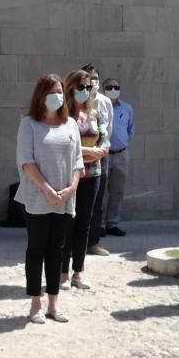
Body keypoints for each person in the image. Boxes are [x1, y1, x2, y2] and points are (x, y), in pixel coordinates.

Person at [16, 74, 83, 324]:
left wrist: (70, 188)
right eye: (50, 91)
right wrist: (46, 190)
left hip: (65, 198)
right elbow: (26, 161)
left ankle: (53, 304)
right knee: (37, 249)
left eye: (59, 91)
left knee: (57, 250)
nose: (55, 96)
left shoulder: (71, 125)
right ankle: (35, 303)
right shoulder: (29, 124)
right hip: (37, 197)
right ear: (40, 95)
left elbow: (77, 161)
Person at [60, 69, 108, 291]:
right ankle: (61, 272)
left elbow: (105, 140)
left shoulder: (95, 114)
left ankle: (77, 273)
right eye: (81, 87)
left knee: (84, 224)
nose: (85, 91)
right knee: (67, 223)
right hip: (71, 175)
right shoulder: (64, 115)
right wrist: (92, 152)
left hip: (93, 175)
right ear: (71, 88)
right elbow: (69, 147)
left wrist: (98, 151)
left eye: (88, 87)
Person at [84, 63, 113, 256]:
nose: (93, 82)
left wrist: (100, 150)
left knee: (97, 201)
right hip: (80, 155)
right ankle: (75, 240)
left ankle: (93, 242)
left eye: (95, 78)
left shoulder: (104, 102)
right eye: (89, 78)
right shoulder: (74, 100)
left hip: (99, 156)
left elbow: (108, 129)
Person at [102, 77, 134, 236]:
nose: (113, 89)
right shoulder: (99, 106)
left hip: (121, 154)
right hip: (103, 155)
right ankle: (99, 224)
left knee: (117, 191)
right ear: (103, 89)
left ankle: (112, 224)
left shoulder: (127, 108)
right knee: (101, 192)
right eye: (109, 87)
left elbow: (130, 129)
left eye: (116, 86)